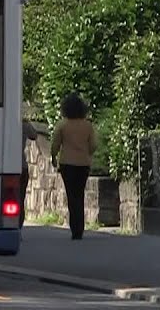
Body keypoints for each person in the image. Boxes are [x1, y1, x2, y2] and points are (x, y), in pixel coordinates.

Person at [49, 94, 97, 240]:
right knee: (80, 193)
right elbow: (94, 145)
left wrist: (53, 157)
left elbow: (55, 144)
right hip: (83, 164)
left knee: (71, 195)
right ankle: (80, 228)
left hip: (67, 163)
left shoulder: (62, 125)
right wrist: (87, 153)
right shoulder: (88, 126)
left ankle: (74, 228)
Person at [20, 119, 37, 228]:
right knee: (20, 199)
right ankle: (18, 227)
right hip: (20, 165)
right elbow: (34, 135)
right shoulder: (23, 124)